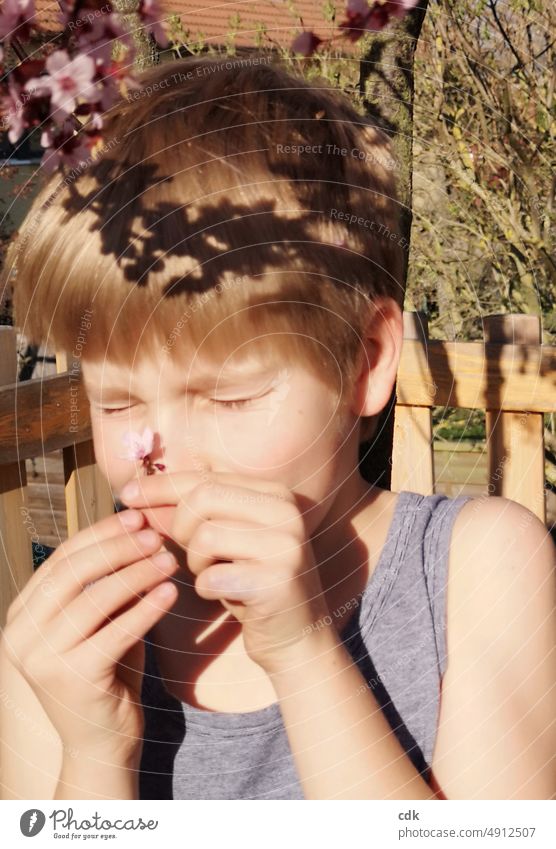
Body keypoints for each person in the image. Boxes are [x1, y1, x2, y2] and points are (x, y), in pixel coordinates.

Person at [1, 52, 554, 802]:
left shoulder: (477, 572)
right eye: (117, 401)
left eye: (230, 398)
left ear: (363, 363)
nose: (159, 456)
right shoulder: (65, 643)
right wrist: (94, 748)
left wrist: (301, 653)